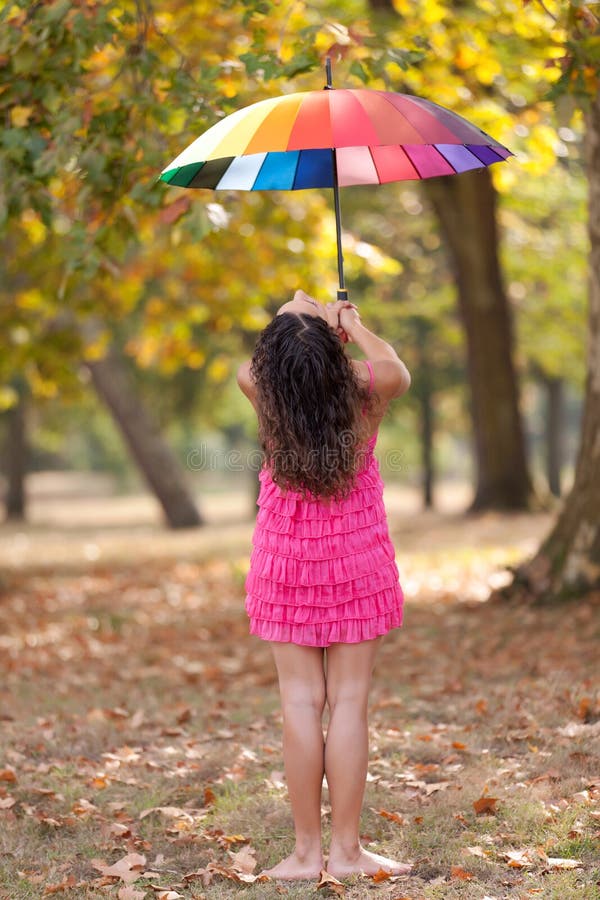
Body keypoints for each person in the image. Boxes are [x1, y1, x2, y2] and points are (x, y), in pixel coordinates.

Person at [236, 289, 413, 881]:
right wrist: (351, 327)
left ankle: (306, 855)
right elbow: (396, 368)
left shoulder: (264, 389)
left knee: (299, 701)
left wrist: (298, 316)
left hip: (285, 560)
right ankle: (347, 852)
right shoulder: (365, 389)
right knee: (351, 701)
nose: (298, 299)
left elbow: (255, 362)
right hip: (356, 557)